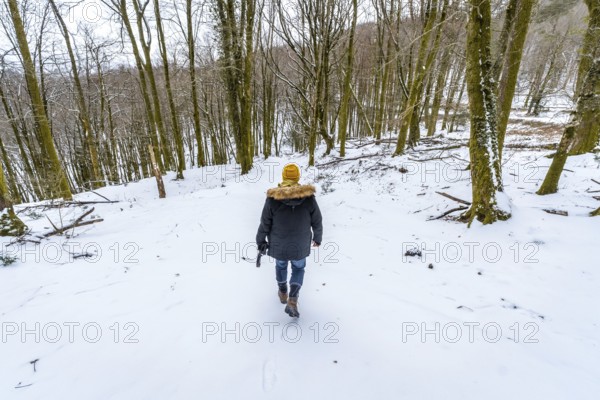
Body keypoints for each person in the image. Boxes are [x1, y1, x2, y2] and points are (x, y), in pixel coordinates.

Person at [256, 163, 323, 318]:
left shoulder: (273, 199)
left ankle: (283, 292)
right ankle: (293, 299)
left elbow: (264, 222)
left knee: (281, 266)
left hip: (279, 244)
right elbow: (317, 220)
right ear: (297, 177)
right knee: (299, 268)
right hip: (300, 244)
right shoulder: (308, 198)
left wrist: (260, 241)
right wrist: (317, 237)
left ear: (284, 177)